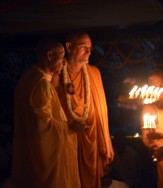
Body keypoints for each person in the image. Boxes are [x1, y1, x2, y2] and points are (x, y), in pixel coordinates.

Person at [12, 39, 82, 188]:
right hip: (45, 167)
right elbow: (42, 127)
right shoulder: (41, 84)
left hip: (28, 158)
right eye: (62, 57)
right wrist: (69, 126)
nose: (64, 63)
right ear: (50, 56)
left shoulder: (27, 80)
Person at [52, 32, 114, 188]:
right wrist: (69, 124)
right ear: (69, 47)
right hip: (68, 140)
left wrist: (107, 142)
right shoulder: (57, 74)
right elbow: (51, 112)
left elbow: (102, 112)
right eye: (83, 47)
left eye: (90, 48)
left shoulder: (94, 73)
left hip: (92, 140)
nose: (88, 52)